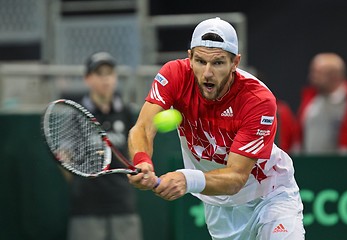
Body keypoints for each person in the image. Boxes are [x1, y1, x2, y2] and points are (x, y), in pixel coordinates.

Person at [127, 17, 305, 240]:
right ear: (189, 57)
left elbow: (237, 177)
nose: (207, 73)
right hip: (218, 204)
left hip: (269, 194)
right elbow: (142, 128)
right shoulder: (174, 75)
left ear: (235, 62)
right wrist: (142, 160)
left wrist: (186, 179)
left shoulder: (257, 100)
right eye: (200, 61)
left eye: (218, 63)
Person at [67, 52, 142, 240]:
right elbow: (65, 159)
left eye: (109, 73)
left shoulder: (125, 112)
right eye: (99, 74)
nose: (105, 79)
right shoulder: (77, 114)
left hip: (122, 205)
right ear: (88, 79)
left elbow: (135, 148)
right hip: (87, 208)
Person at [297, 53, 347, 154]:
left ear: (334, 76)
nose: (311, 77)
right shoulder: (310, 100)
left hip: (345, 167)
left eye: (317, 73)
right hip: (311, 166)